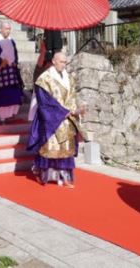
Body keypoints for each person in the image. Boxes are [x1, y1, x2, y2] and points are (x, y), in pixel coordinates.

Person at [27, 52, 86, 188]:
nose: (63, 65)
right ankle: (46, 176)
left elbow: (72, 97)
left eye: (65, 62)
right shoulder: (44, 79)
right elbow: (44, 102)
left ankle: (64, 178)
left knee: (65, 150)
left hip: (67, 118)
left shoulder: (69, 78)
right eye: (61, 62)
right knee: (51, 149)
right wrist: (61, 112)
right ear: (54, 61)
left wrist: (75, 111)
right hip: (52, 120)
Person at [0, 22, 24, 124]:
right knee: (3, 95)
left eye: (9, 29)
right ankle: (2, 117)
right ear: (0, 29)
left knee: (14, 94)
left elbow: (15, 55)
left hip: (11, 72)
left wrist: (14, 63)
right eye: (6, 28)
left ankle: (11, 115)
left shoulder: (12, 41)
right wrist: (0, 62)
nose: (8, 31)